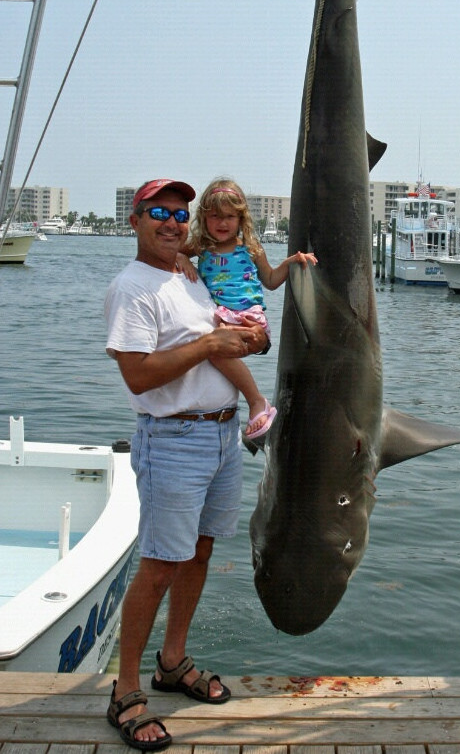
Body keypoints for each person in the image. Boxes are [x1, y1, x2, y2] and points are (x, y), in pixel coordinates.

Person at [104, 178, 269, 751]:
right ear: (135, 220)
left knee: (200, 551)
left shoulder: (192, 274)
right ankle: (125, 691)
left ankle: (171, 662)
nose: (171, 223)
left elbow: (219, 336)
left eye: (179, 213)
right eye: (158, 213)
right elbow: (139, 375)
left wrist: (242, 341)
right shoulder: (133, 287)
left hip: (222, 435)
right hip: (174, 439)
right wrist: (208, 348)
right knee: (160, 564)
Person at [181, 176, 317, 439]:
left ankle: (256, 401)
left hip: (249, 316)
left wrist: (290, 264)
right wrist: (181, 258)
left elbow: (271, 280)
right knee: (212, 350)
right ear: (204, 217)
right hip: (222, 317)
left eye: (230, 216)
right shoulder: (202, 247)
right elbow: (174, 252)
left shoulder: (251, 249)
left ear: (241, 219)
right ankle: (252, 408)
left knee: (215, 352)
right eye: (215, 216)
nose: (223, 223)